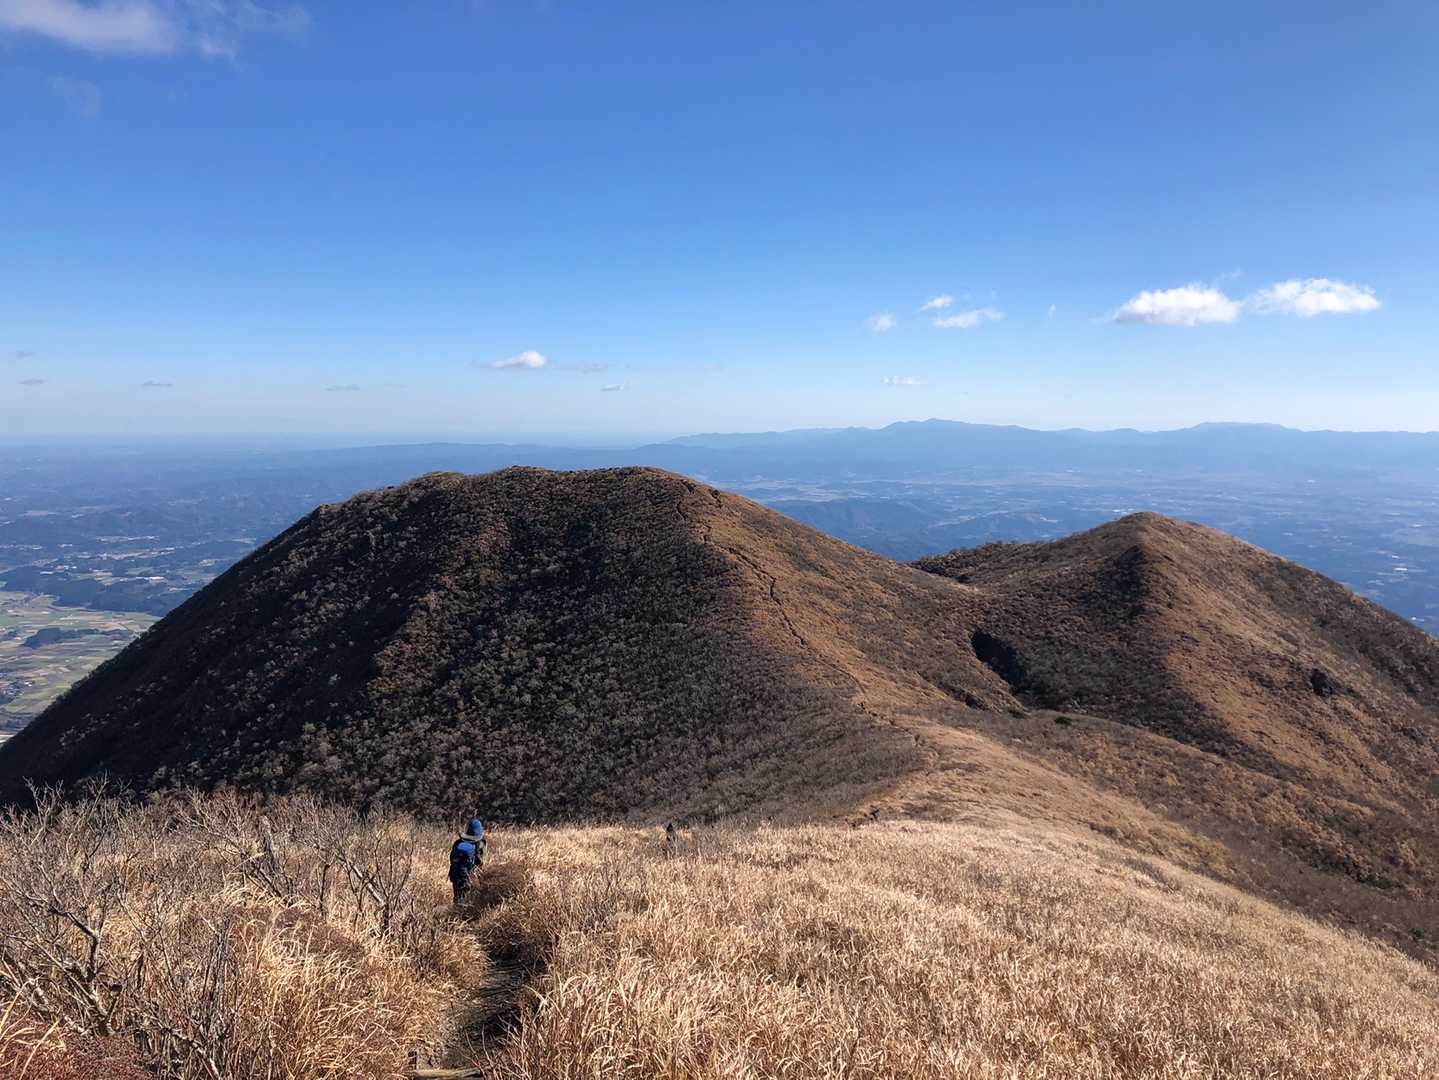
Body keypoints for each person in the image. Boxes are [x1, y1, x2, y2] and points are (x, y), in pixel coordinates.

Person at [449, 817, 486, 904]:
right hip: (468, 877)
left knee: (457, 897)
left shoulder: (458, 843)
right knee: (468, 900)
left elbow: (451, 858)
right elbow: (479, 863)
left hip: (455, 874)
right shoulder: (479, 844)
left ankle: (456, 908)